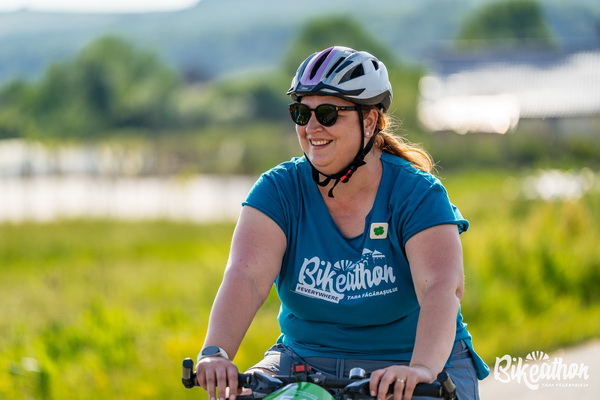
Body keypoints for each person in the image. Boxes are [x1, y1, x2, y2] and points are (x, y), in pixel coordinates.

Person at [195, 46, 489, 400]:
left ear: (370, 122)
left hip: (411, 361)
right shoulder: (278, 189)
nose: (311, 127)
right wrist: (216, 352)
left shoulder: (418, 193)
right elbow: (246, 277)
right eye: (301, 113)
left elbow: (441, 287)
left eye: (328, 113)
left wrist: (422, 369)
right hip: (305, 358)